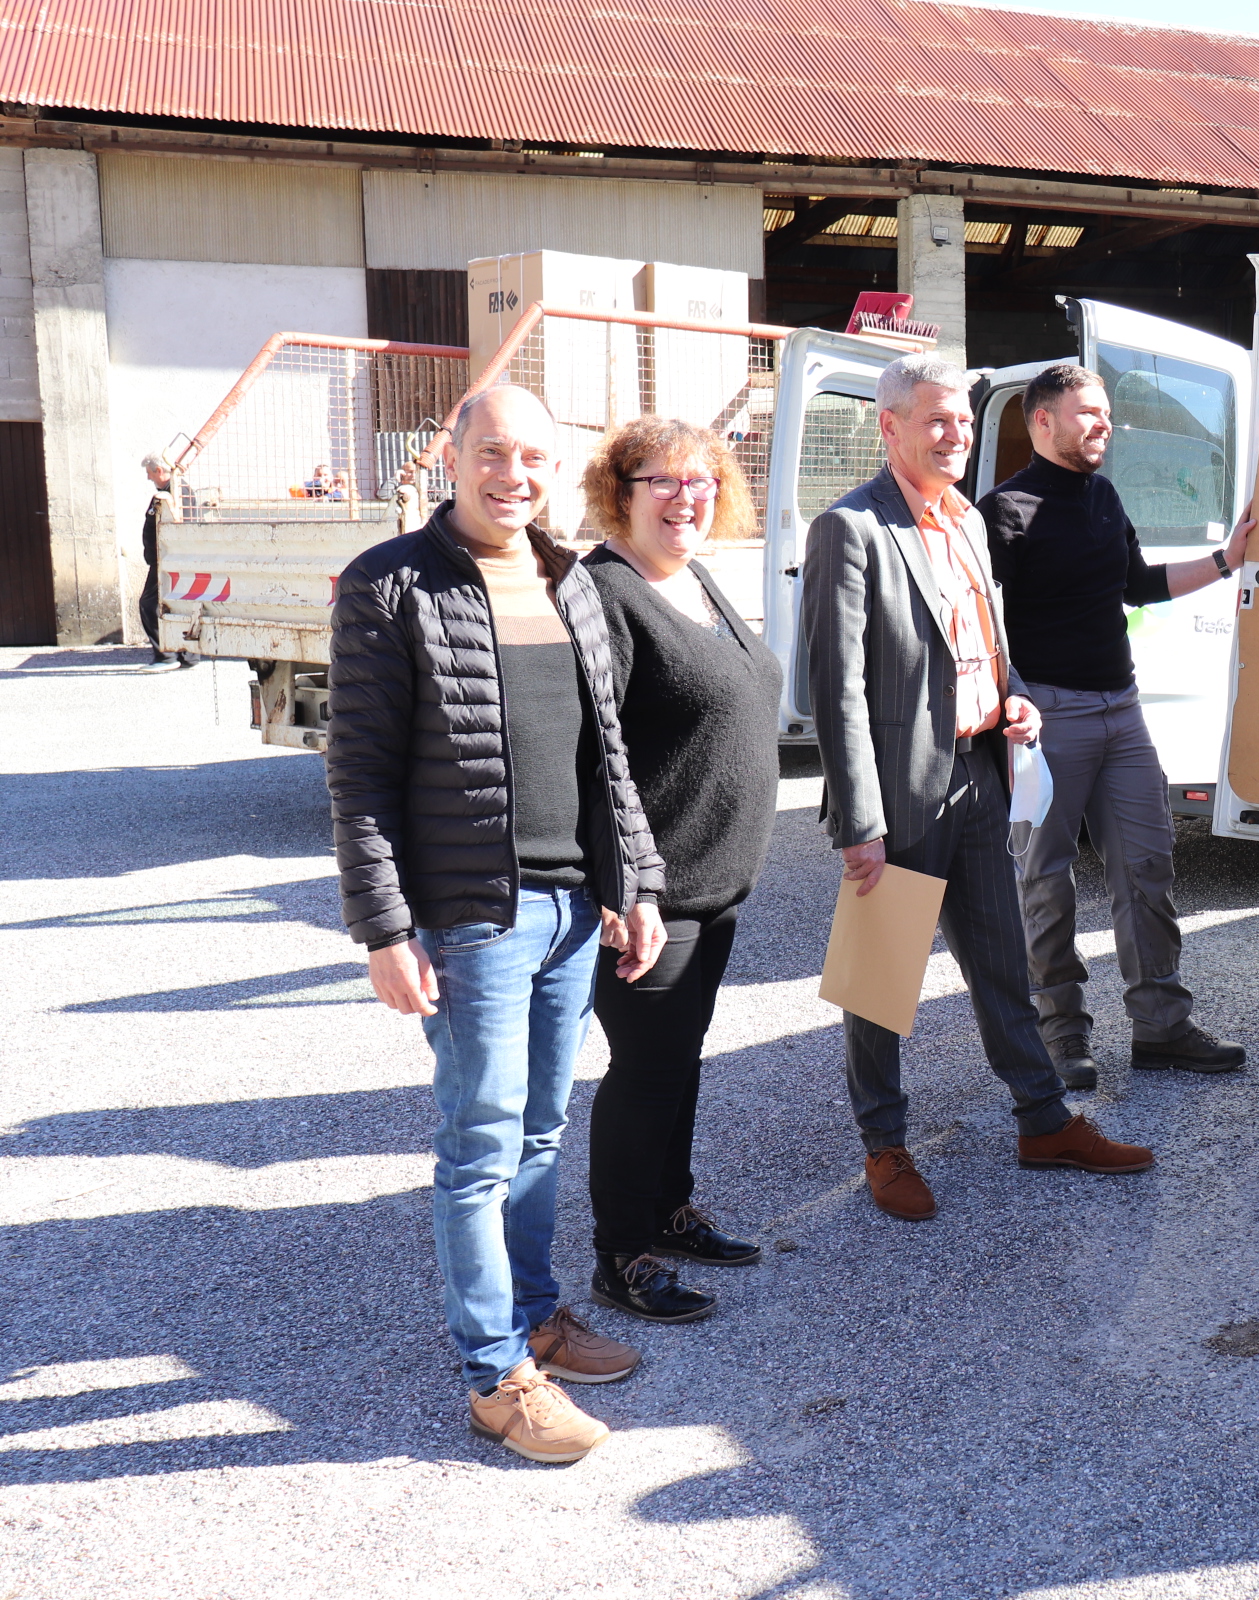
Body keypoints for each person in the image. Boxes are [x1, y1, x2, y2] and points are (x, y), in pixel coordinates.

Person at [327, 383, 669, 1464]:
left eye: (531, 455)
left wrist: (637, 883)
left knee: (538, 1133)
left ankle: (536, 1317)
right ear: (452, 458)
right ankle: (493, 1376)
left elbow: (605, 755)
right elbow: (362, 776)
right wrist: (384, 927)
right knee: (478, 1145)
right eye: (491, 451)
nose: (510, 473)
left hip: (573, 909)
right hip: (473, 918)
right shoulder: (392, 585)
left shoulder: (569, 580)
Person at [802, 353, 1156, 1222]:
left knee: (1004, 963)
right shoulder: (852, 530)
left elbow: (986, 648)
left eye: (963, 420)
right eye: (936, 420)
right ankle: (885, 1144)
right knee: (881, 980)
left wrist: (1016, 701)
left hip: (978, 774)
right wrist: (859, 820)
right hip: (897, 789)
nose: (955, 434)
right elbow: (835, 688)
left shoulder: (965, 518)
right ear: (890, 426)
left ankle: (1042, 1121)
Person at [978, 364, 1250, 1089]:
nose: (1105, 425)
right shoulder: (1003, 511)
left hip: (1122, 711)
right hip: (1050, 715)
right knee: (1047, 881)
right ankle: (1063, 1036)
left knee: (1148, 868)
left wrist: (1227, 561)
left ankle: (1160, 1027)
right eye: (1089, 413)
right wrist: (1010, 696)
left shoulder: (1102, 496)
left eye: (1106, 414)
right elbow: (974, 624)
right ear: (1043, 421)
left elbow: (1137, 583)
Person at [578, 418, 780, 1324]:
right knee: (647, 1069)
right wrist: (631, 887)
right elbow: (597, 753)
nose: (685, 496)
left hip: (712, 881)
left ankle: (669, 1209)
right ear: (619, 492)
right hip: (656, 896)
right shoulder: (605, 591)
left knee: (679, 1060)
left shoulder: (694, 576)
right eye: (662, 480)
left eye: (701, 480)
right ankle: (621, 1254)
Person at [137, 454, 196, 671]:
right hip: (174, 558)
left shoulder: (171, 494)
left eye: (150, 474)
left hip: (168, 559)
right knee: (182, 603)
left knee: (149, 604)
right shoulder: (180, 491)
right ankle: (188, 656)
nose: (149, 479)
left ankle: (166, 656)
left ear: (159, 471)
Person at [394, 461, 430, 533]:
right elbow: (383, 494)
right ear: (403, 474)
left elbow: (441, 495)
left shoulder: (427, 488)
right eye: (410, 472)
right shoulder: (397, 488)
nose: (413, 475)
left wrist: (424, 495)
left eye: (416, 472)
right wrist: (396, 478)